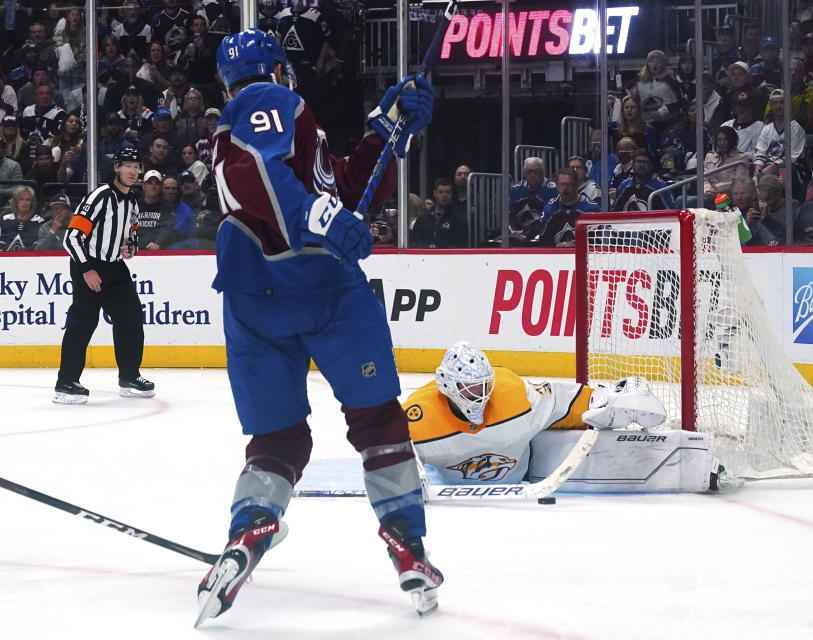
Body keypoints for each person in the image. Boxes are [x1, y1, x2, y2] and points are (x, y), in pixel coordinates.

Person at [194, 30, 441, 626]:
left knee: (279, 440)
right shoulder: (269, 101)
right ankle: (406, 541)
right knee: (377, 419)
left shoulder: (295, 126)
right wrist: (317, 216)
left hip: (256, 302)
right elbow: (253, 171)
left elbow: (345, 186)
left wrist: (389, 130)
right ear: (276, 67)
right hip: (325, 291)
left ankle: (250, 532)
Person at [404, 342, 716, 491]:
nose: (479, 395)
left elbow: (566, 404)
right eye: (468, 388)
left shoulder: (513, 395)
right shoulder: (419, 417)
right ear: (447, 385)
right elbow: (384, 449)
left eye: (483, 385)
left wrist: (607, 403)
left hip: (523, 491)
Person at [55, 146, 154, 404]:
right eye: (127, 166)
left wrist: (131, 246)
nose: (133, 172)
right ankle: (66, 383)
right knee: (83, 321)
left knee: (131, 316)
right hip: (88, 264)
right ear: (116, 169)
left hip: (114, 266)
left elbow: (132, 232)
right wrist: (87, 269)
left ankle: (129, 377)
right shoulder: (99, 197)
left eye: (136, 167)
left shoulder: (132, 200)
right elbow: (72, 237)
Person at [538, 168, 600, 247]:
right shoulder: (550, 208)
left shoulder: (591, 208)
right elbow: (544, 241)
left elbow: (598, 241)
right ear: (556, 185)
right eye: (562, 184)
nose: (565, 188)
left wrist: (577, 244)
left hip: (585, 257)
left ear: (576, 185)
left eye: (569, 184)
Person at [507, 157, 557, 244]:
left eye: (536, 171)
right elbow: (510, 214)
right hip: (518, 235)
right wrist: (514, 231)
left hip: (543, 235)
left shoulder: (553, 190)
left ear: (542, 172)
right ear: (524, 173)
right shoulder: (516, 189)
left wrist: (526, 232)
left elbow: (552, 219)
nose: (532, 175)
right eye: (529, 171)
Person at [410, 176, 465, 248]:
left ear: (452, 194)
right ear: (435, 193)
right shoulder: (423, 219)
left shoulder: (458, 219)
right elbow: (415, 243)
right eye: (440, 192)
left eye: (448, 192)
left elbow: (460, 245)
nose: (444, 195)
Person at [0, 185, 42, 251]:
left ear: (32, 203)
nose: (24, 203)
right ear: (16, 202)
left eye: (28, 200)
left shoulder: (38, 221)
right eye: (21, 199)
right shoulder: (5, 219)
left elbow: (37, 247)